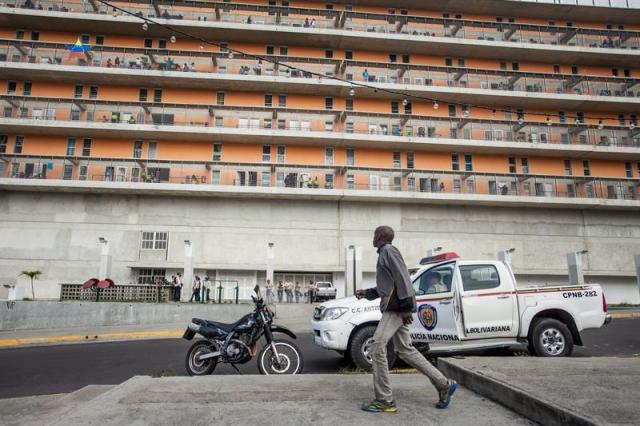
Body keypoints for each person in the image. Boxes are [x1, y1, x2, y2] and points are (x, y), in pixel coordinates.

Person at [355, 225, 457, 413]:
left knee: (376, 346)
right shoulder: (384, 253)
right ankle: (443, 384)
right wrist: (367, 293)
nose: (372, 237)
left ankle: (384, 400)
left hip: (396, 308)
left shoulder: (388, 251)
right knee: (405, 350)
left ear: (379, 237)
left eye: (374, 234)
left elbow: (403, 279)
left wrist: (405, 307)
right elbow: (388, 286)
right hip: (396, 305)